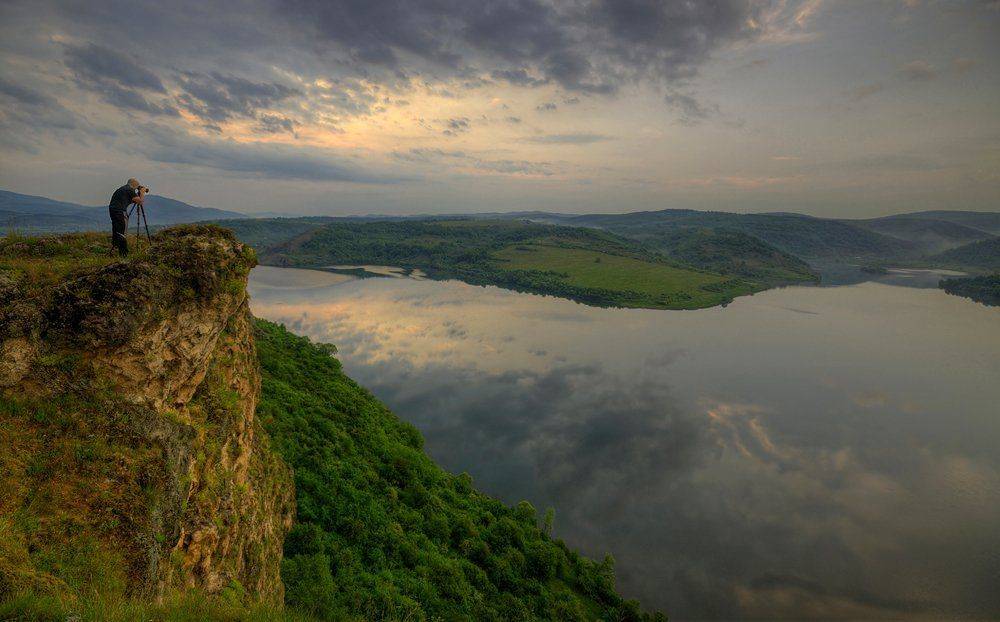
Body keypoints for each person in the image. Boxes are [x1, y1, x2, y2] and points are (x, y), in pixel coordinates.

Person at [108, 178, 145, 256]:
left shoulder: (122, 189)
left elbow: (132, 200)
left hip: (113, 210)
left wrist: (137, 195)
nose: (137, 188)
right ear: (134, 185)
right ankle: (123, 253)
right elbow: (140, 201)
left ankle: (115, 248)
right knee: (121, 232)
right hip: (119, 212)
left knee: (117, 230)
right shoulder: (130, 190)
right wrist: (142, 193)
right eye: (137, 186)